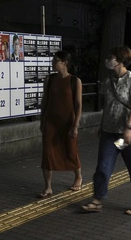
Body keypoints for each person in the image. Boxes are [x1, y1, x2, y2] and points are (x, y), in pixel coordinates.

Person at [82, 46, 131, 215]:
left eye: (111, 57)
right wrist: (101, 126)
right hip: (110, 132)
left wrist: (128, 128)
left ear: (120, 60)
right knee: (103, 167)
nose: (108, 60)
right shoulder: (108, 81)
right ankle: (97, 200)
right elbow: (108, 106)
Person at [39, 50, 83, 198]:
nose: (53, 63)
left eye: (55, 61)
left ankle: (78, 177)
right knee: (47, 152)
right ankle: (48, 186)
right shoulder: (49, 79)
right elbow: (45, 101)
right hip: (50, 121)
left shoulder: (74, 81)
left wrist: (75, 125)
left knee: (70, 150)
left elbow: (78, 104)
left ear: (65, 63)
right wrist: (42, 120)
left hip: (68, 122)